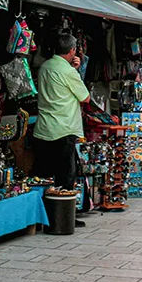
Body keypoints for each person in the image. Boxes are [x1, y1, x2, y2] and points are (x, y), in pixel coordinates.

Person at [34, 32, 92, 225]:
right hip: (64, 128)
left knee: (43, 174)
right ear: (72, 50)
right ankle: (63, 218)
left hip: (44, 127)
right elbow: (85, 98)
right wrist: (76, 70)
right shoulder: (68, 71)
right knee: (65, 175)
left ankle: (41, 215)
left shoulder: (45, 66)